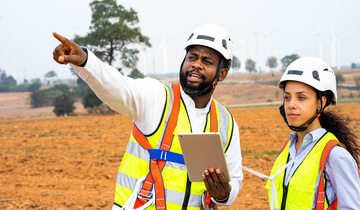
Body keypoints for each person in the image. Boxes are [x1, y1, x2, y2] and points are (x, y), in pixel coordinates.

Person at [52, 23, 243, 209]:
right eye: (192, 57)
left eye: (207, 61)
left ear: (222, 73)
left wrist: (224, 194)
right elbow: (117, 86)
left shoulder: (227, 123)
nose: (196, 65)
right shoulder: (157, 96)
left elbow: (234, 180)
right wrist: (86, 61)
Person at [266, 57, 360, 209]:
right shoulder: (286, 150)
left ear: (321, 103)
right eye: (287, 97)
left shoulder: (335, 156)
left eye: (301, 98)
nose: (291, 105)